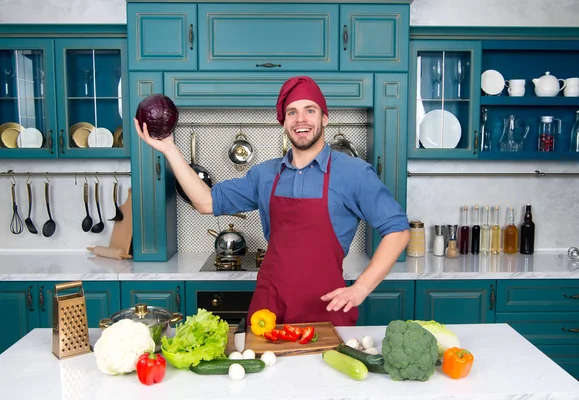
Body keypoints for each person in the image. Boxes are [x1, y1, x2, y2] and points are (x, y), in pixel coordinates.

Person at [134, 76, 410, 326]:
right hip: (270, 304)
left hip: (326, 306)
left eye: (309, 110)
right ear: (284, 122)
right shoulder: (264, 175)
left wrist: (361, 287)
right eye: (292, 112)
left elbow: (397, 231)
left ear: (325, 118)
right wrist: (169, 149)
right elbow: (206, 202)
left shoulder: (354, 174)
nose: (301, 119)